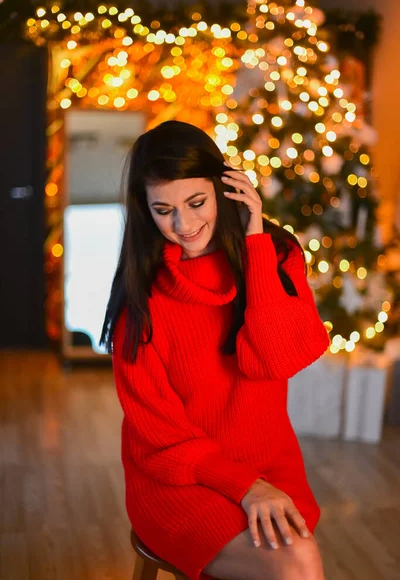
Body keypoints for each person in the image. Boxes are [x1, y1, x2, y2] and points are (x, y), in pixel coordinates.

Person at [100, 120, 330, 580]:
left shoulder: (274, 255)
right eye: (163, 210)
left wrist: (254, 241)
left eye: (196, 202)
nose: (183, 225)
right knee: (298, 564)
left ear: (225, 188)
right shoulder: (142, 307)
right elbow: (162, 441)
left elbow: (275, 360)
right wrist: (245, 488)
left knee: (296, 563)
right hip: (180, 482)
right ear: (145, 211)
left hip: (268, 466)